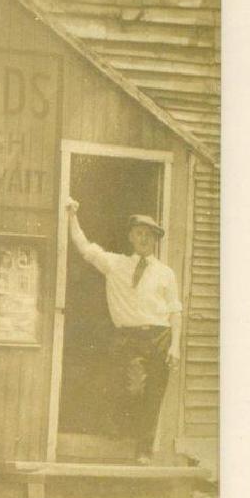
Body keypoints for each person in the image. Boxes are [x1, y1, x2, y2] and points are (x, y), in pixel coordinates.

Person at [65, 199, 182, 465]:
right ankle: (120, 435)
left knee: (154, 394)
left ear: (155, 240)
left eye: (149, 234)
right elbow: (84, 247)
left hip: (160, 336)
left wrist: (175, 345)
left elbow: (175, 310)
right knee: (132, 387)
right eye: (139, 233)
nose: (144, 238)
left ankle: (143, 450)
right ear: (131, 237)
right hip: (129, 337)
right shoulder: (115, 264)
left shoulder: (165, 273)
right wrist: (72, 216)